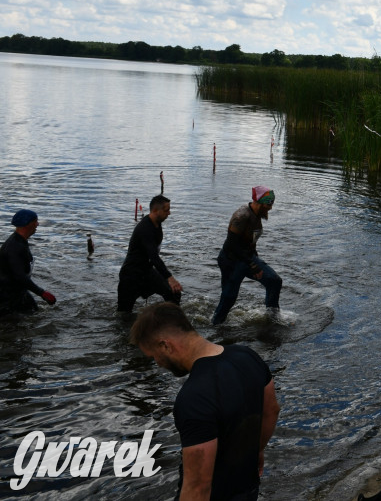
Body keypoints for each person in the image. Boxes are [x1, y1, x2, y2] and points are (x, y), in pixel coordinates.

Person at [130, 302, 280, 500]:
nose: (157, 363)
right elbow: (272, 410)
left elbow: (198, 488)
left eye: (154, 356)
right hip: (249, 488)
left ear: (165, 345)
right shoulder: (247, 356)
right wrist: (257, 450)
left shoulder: (194, 397)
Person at [212, 187, 283, 325]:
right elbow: (231, 245)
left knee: (274, 281)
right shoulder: (242, 216)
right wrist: (253, 265)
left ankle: (272, 317)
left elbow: (249, 240)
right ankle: (216, 326)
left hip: (247, 258)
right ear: (260, 202)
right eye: (269, 204)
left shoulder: (257, 214)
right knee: (229, 298)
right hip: (231, 260)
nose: (271, 208)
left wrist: (254, 258)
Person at [117, 194, 183, 314]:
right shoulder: (145, 229)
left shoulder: (157, 223)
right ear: (155, 210)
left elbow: (153, 258)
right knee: (124, 314)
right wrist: (170, 278)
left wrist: (166, 280)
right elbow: (154, 256)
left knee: (173, 292)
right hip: (131, 275)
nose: (169, 213)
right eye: (166, 210)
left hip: (147, 271)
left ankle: (172, 322)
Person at [0, 210, 56, 315]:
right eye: (35, 221)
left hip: (18, 291)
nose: (37, 224)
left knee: (34, 313)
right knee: (13, 323)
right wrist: (42, 293)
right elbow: (19, 275)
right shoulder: (15, 247)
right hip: (7, 296)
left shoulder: (20, 240)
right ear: (27, 224)